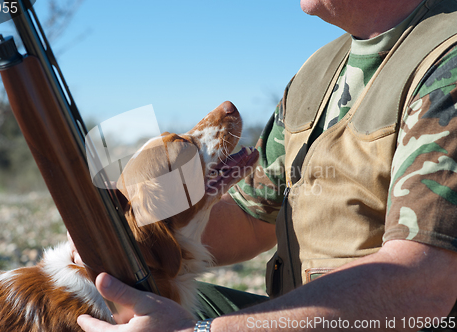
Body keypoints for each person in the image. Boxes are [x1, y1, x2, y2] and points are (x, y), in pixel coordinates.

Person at [75, 0, 457, 331]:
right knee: (130, 304)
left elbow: (423, 286)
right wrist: (120, 245)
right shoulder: (319, 71)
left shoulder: (446, 62)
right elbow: (248, 217)